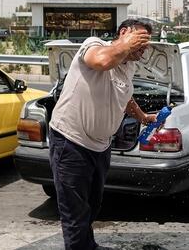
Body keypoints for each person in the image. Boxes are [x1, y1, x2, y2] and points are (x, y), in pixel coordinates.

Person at [49, 19, 156, 250]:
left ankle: (88, 245)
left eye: (146, 44)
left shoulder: (129, 66)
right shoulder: (93, 45)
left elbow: (125, 96)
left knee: (92, 205)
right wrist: (127, 43)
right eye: (140, 40)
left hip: (100, 147)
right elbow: (103, 60)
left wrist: (143, 117)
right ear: (124, 32)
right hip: (71, 142)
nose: (143, 47)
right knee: (75, 213)